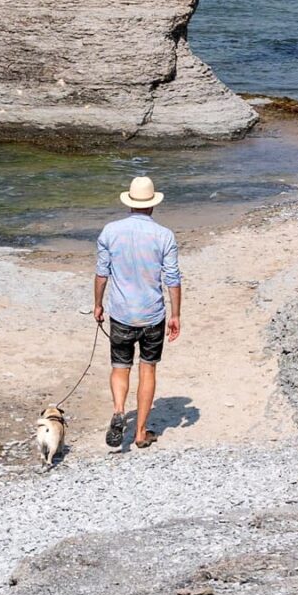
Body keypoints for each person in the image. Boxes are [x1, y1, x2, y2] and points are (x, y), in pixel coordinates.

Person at [93, 174, 181, 450]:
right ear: (152, 204)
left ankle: (119, 410)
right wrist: (176, 315)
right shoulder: (164, 235)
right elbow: (172, 279)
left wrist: (98, 304)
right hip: (152, 314)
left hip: (121, 313)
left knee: (120, 367)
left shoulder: (110, 231)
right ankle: (141, 433)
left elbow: (102, 274)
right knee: (147, 369)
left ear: (130, 202)